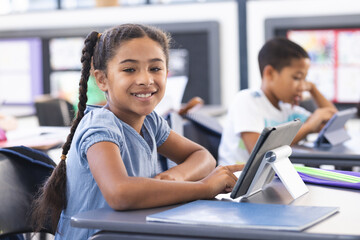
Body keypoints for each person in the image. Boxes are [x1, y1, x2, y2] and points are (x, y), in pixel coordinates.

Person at [31, 24, 243, 239]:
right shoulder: (100, 126)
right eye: (130, 69)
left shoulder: (151, 121)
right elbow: (119, 194)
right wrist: (204, 187)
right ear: (102, 79)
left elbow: (202, 157)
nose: (145, 80)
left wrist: (173, 177)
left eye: (155, 68)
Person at [218, 37, 337, 166]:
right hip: (239, 182)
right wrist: (308, 127)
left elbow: (335, 126)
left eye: (305, 79)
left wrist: (313, 89)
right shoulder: (247, 100)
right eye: (297, 77)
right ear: (270, 73)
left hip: (272, 181)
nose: (302, 86)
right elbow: (259, 153)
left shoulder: (287, 109)